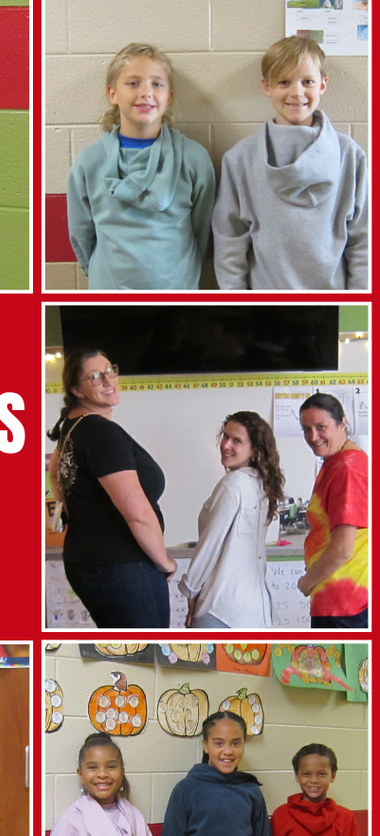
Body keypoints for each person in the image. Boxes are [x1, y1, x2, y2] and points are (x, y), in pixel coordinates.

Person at [214, 36, 368, 289]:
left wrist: (359, 303)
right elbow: (229, 242)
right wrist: (237, 303)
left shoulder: (350, 156)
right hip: (264, 308)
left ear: (323, 85)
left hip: (333, 306)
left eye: (307, 81)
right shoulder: (240, 160)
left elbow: (364, 241)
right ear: (267, 87)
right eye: (284, 82)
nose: (297, 92)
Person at [67, 43, 215, 290]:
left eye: (157, 84)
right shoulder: (89, 162)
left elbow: (201, 229)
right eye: (133, 83)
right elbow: (81, 233)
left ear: (169, 97)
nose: (146, 92)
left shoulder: (194, 159)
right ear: (112, 93)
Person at [47, 348, 176, 628]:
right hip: (123, 566)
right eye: (94, 377)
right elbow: (137, 513)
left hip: (89, 563)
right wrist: (164, 561)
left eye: (109, 370)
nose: (108, 381)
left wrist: (77, 513)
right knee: (146, 651)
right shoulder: (100, 433)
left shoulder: (72, 427)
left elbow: (54, 472)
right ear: (76, 390)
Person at [179, 411, 285, 628]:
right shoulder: (262, 486)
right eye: (225, 437)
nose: (226, 445)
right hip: (257, 610)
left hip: (220, 608)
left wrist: (190, 593)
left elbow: (209, 547)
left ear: (255, 450)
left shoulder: (233, 484)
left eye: (237, 441)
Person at [297, 393, 368, 627]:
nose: (313, 437)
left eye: (321, 427)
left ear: (342, 424)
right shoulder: (335, 461)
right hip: (338, 602)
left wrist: (308, 582)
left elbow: (342, 549)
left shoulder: (348, 468)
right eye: (306, 429)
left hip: (345, 606)